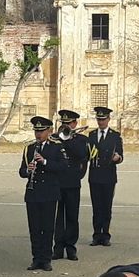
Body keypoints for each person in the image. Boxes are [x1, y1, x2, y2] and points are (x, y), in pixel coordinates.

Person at [18, 115, 69, 271]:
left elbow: (63, 166)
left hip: (49, 192)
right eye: (36, 131)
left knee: (47, 227)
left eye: (41, 131)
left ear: (49, 131)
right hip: (33, 193)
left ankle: (46, 259)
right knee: (34, 227)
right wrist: (28, 170)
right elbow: (21, 171)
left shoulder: (56, 147)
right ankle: (36, 258)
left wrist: (45, 162)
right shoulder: (30, 148)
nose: (38, 134)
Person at [52, 110, 89, 262]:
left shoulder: (81, 139)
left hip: (73, 182)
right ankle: (58, 248)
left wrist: (68, 139)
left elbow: (81, 155)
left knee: (72, 217)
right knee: (58, 218)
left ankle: (71, 248)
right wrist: (60, 138)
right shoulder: (54, 138)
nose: (65, 125)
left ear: (75, 124)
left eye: (69, 123)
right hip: (57, 182)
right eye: (63, 123)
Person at [85, 106, 125, 247]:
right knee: (96, 207)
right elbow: (87, 154)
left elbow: (121, 155)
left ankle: (105, 235)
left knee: (106, 207)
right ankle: (96, 235)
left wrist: (117, 158)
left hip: (108, 175)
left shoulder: (115, 136)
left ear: (108, 119)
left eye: (103, 119)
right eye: (99, 119)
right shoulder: (91, 135)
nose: (101, 122)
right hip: (95, 175)